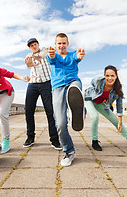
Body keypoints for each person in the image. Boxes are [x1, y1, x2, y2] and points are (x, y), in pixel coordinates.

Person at [47, 33, 86, 167]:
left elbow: (78, 56)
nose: (62, 46)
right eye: (59, 43)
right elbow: (51, 58)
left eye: (64, 43)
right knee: (61, 124)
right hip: (57, 88)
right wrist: (51, 55)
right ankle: (69, 151)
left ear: (67, 44)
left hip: (73, 82)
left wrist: (80, 55)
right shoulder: (53, 55)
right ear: (55, 44)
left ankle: (80, 112)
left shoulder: (72, 55)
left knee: (75, 89)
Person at [84, 65, 127, 151]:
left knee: (116, 121)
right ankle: (94, 141)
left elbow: (119, 105)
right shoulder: (99, 81)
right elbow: (92, 83)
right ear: (104, 76)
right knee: (95, 117)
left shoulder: (118, 89)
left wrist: (120, 122)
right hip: (88, 98)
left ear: (116, 76)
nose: (110, 78)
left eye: (112, 76)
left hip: (99, 103)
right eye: (107, 76)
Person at [23, 38, 62, 150]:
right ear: (29, 48)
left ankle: (54, 139)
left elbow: (43, 55)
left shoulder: (45, 50)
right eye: (31, 45)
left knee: (50, 111)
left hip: (46, 83)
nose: (34, 46)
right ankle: (30, 137)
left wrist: (37, 56)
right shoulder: (28, 55)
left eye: (35, 44)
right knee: (28, 111)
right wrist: (30, 61)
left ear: (38, 44)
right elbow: (29, 65)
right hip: (33, 84)